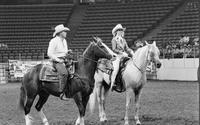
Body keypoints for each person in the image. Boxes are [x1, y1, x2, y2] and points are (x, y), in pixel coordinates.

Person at [47, 24, 72, 100]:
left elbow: (63, 52)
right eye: (64, 31)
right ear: (60, 32)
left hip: (64, 60)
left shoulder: (64, 41)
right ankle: (61, 93)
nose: (66, 33)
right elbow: (49, 53)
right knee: (64, 73)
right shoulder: (53, 41)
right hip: (56, 61)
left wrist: (67, 52)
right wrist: (58, 60)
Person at [110, 24, 134, 90]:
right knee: (116, 68)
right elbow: (114, 49)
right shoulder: (114, 39)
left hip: (124, 56)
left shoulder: (123, 40)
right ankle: (113, 83)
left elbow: (127, 48)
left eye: (122, 30)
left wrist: (131, 52)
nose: (121, 32)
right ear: (116, 32)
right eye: (120, 30)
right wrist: (121, 53)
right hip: (117, 56)